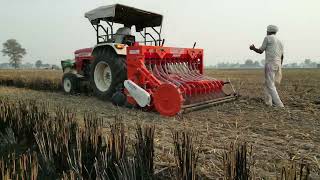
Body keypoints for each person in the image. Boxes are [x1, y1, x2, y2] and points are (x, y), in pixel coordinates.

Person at [249, 25, 284, 107]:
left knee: (270, 84)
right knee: (267, 83)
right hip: (278, 64)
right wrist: (279, 65)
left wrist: (253, 48)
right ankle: (268, 103)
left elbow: (260, 51)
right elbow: (282, 56)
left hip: (270, 64)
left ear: (268, 31)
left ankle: (279, 104)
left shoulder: (268, 38)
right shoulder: (280, 41)